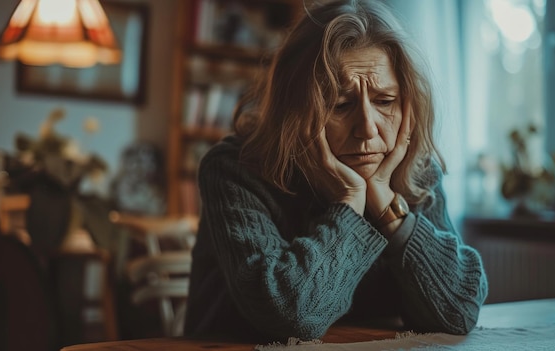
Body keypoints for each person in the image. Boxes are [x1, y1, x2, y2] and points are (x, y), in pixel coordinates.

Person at [184, 0, 488, 342]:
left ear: (408, 106)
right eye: (340, 105)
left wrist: (390, 212)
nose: (368, 129)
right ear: (293, 111)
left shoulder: (418, 170)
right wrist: (350, 202)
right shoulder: (235, 170)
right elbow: (289, 317)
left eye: (385, 101)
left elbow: (458, 311)